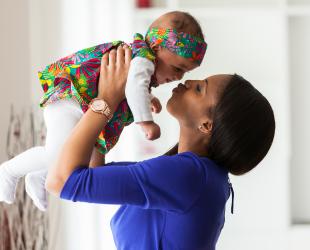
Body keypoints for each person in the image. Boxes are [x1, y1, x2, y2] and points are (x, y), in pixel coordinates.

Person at [46, 46, 276, 249]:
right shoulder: (197, 175)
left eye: (199, 89)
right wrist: (112, 102)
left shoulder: (189, 176)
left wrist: (106, 100)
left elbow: (61, 181)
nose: (188, 81)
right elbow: (93, 174)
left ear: (207, 125)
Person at [0, 11, 207, 211]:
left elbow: (132, 85)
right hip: (71, 101)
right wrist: (146, 122)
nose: (179, 77)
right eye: (178, 68)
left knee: (91, 168)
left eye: (185, 72)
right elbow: (134, 86)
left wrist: (149, 98)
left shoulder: (141, 62)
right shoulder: (143, 60)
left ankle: (41, 176)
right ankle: (9, 171)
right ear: (157, 46)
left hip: (85, 107)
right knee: (58, 154)